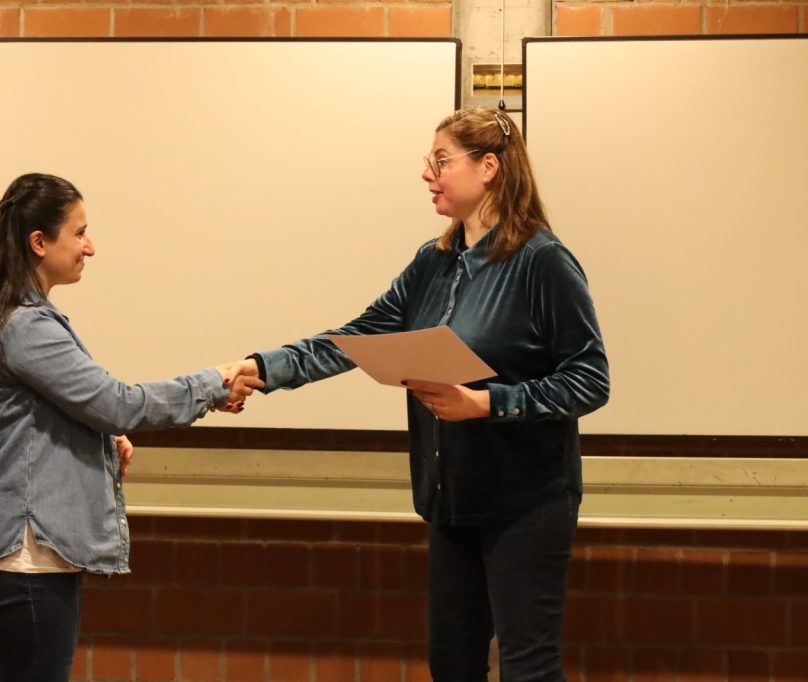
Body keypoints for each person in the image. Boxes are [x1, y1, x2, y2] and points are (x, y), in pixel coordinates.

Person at [232, 107, 609, 681]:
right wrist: (263, 368)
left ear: (489, 167)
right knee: (451, 664)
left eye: (441, 161)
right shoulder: (432, 262)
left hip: (527, 501)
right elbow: (357, 339)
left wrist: (485, 402)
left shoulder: (542, 261)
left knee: (528, 668)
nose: (427, 174)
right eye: (427, 162)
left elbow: (589, 379)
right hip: (451, 497)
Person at [0, 172, 261, 682]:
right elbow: (118, 403)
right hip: (26, 556)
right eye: (78, 233)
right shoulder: (25, 326)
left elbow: (47, 417)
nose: (89, 247)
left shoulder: (16, 318)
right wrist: (213, 383)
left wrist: (98, 439)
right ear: (39, 242)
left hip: (30, 556)